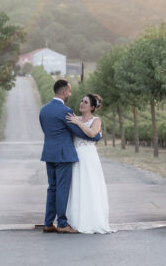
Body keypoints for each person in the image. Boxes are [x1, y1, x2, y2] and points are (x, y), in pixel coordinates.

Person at [39, 79, 100, 234]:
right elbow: (80, 133)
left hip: (49, 153)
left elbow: (47, 131)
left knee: (51, 188)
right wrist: (96, 136)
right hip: (63, 155)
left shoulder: (43, 110)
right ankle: (62, 223)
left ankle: (47, 223)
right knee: (62, 189)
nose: (70, 94)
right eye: (70, 91)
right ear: (65, 91)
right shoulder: (65, 111)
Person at [65, 93, 114, 234]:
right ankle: (75, 220)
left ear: (92, 107)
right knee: (77, 186)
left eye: (85, 102)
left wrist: (78, 123)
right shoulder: (75, 118)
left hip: (88, 156)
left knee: (90, 185)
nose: (82, 103)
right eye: (81, 101)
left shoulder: (96, 120)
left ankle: (91, 220)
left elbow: (93, 133)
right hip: (76, 156)